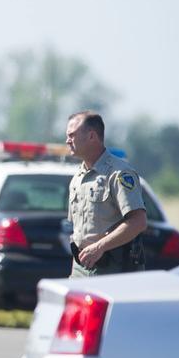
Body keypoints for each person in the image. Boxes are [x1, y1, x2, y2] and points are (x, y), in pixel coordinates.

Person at [64, 111, 147, 278]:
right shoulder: (77, 178)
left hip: (113, 270)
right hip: (81, 268)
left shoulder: (119, 173)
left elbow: (138, 221)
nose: (67, 141)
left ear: (92, 136)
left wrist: (99, 247)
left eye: (72, 135)